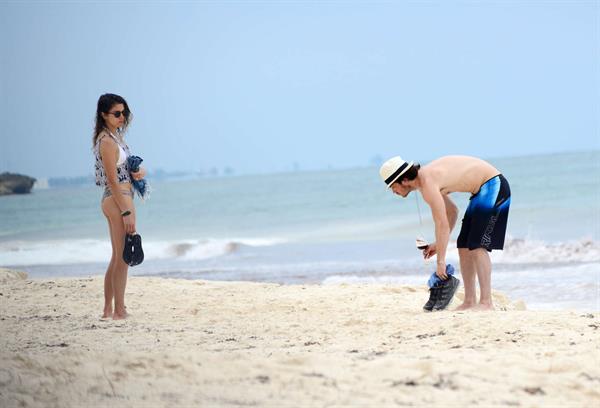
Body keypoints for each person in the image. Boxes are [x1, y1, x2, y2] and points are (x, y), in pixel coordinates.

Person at [379, 156, 511, 311]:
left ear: (405, 179)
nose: (393, 192)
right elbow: (452, 212)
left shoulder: (428, 183)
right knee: (463, 245)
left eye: (392, 186)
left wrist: (440, 262)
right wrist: (438, 243)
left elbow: (442, 224)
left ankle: (486, 303)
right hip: (481, 191)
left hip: (493, 185)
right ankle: (469, 301)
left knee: (476, 245)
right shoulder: (425, 182)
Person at [92, 93, 146, 319]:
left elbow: (121, 173)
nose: (122, 117)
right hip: (117, 199)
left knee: (117, 256)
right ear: (104, 115)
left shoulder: (114, 138)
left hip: (121, 196)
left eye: (124, 112)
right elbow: (112, 180)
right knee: (123, 257)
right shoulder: (106, 141)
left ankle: (108, 309)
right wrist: (125, 211)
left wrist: (138, 173)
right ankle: (119, 310)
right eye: (116, 113)